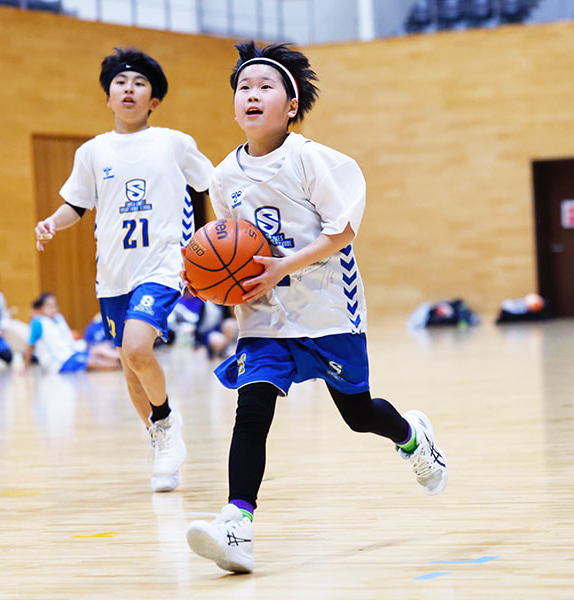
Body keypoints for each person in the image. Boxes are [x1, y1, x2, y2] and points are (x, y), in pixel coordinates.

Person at [183, 41, 448, 574]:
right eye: (243, 87)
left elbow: (342, 230)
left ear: (291, 105)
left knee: (358, 414)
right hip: (265, 315)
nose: (252, 95)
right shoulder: (223, 176)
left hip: (328, 307)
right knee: (252, 408)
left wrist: (283, 266)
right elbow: (228, 244)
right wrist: (212, 281)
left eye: (265, 87)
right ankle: (237, 525)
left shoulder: (310, 159)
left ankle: (412, 437)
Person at [34, 47, 214, 493]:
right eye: (120, 83)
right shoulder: (92, 152)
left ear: (154, 100)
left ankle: (166, 422)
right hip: (113, 275)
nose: (129, 89)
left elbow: (214, 183)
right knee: (130, 369)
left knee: (137, 346)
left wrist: (221, 237)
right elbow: (77, 205)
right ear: (108, 97)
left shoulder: (174, 143)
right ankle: (161, 438)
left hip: (163, 265)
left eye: (139, 84)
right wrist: (52, 222)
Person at [23, 293, 121, 373]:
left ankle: (120, 359)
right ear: (41, 308)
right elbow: (30, 345)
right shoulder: (38, 322)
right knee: (93, 361)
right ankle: (120, 364)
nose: (53, 308)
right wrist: (25, 368)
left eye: (55, 305)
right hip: (59, 363)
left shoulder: (58, 318)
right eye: (50, 306)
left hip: (71, 354)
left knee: (99, 349)